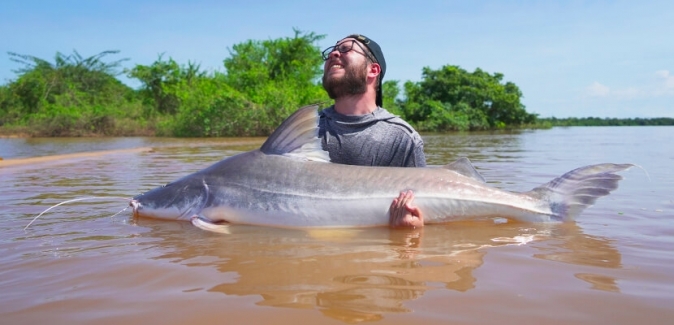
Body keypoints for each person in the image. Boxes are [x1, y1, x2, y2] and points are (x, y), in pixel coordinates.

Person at [319, 34, 425, 228]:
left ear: (373, 70)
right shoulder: (306, 130)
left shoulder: (401, 138)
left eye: (345, 49)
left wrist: (409, 232)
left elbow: (424, 206)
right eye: (331, 51)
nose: (333, 53)